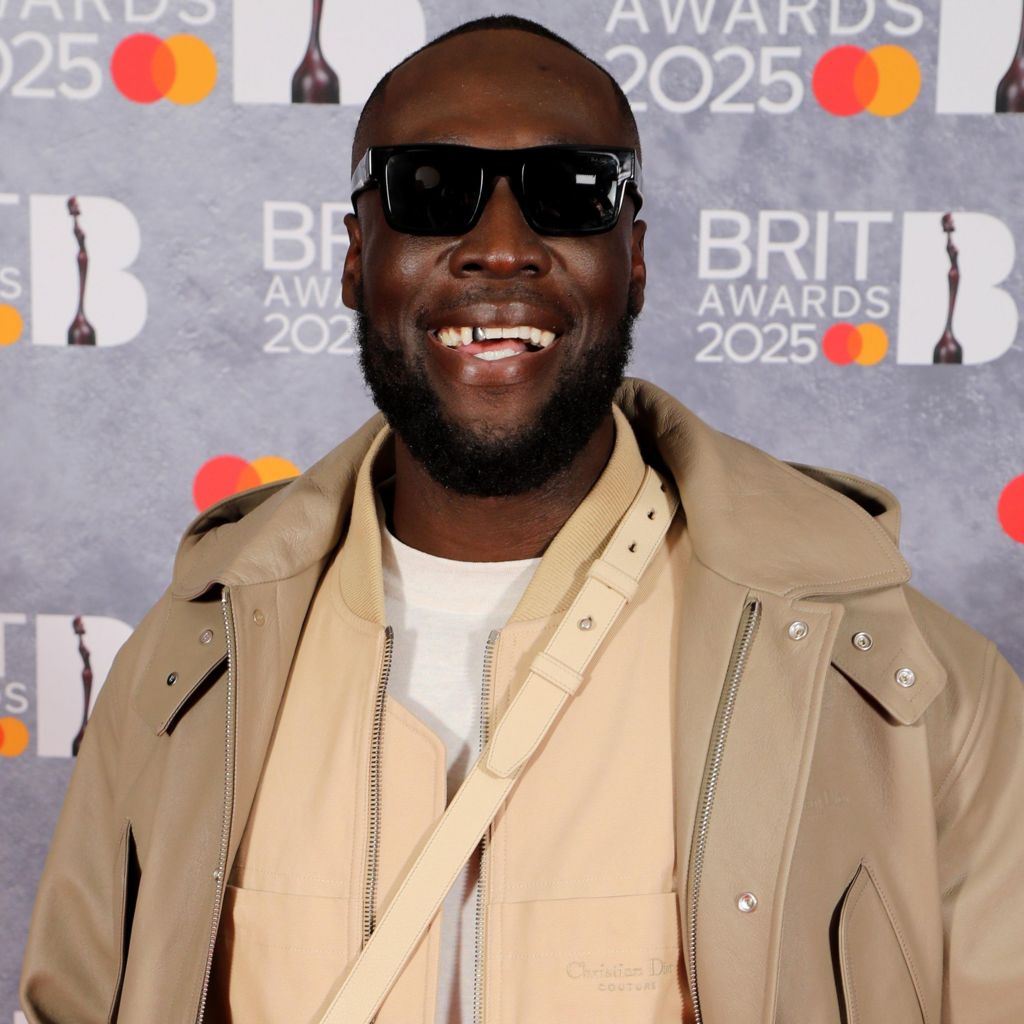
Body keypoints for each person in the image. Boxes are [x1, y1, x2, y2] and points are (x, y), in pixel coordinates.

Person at [19, 14, 1024, 1024]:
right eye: (429, 189)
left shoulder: (912, 690)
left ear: (632, 260)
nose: (501, 249)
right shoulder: (186, 668)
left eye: (571, 193)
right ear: (352, 257)